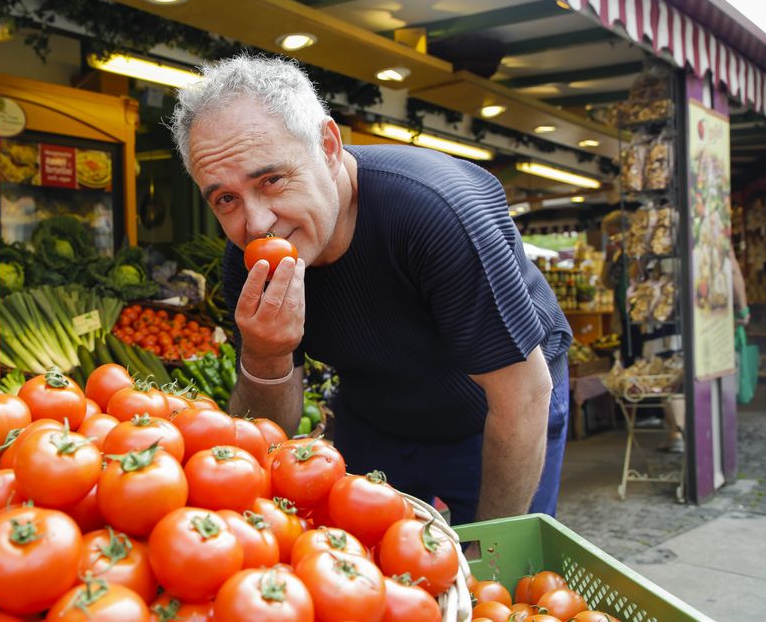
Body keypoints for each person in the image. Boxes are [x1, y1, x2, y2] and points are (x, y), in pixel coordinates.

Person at [169, 55, 572, 525]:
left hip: (496, 413)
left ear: (328, 146)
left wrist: (494, 552)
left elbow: (522, 395)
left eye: (272, 179)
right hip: (376, 415)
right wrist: (265, 355)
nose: (257, 222)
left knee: (494, 569)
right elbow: (267, 436)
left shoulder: (435, 213)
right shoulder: (246, 260)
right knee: (363, 565)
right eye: (226, 199)